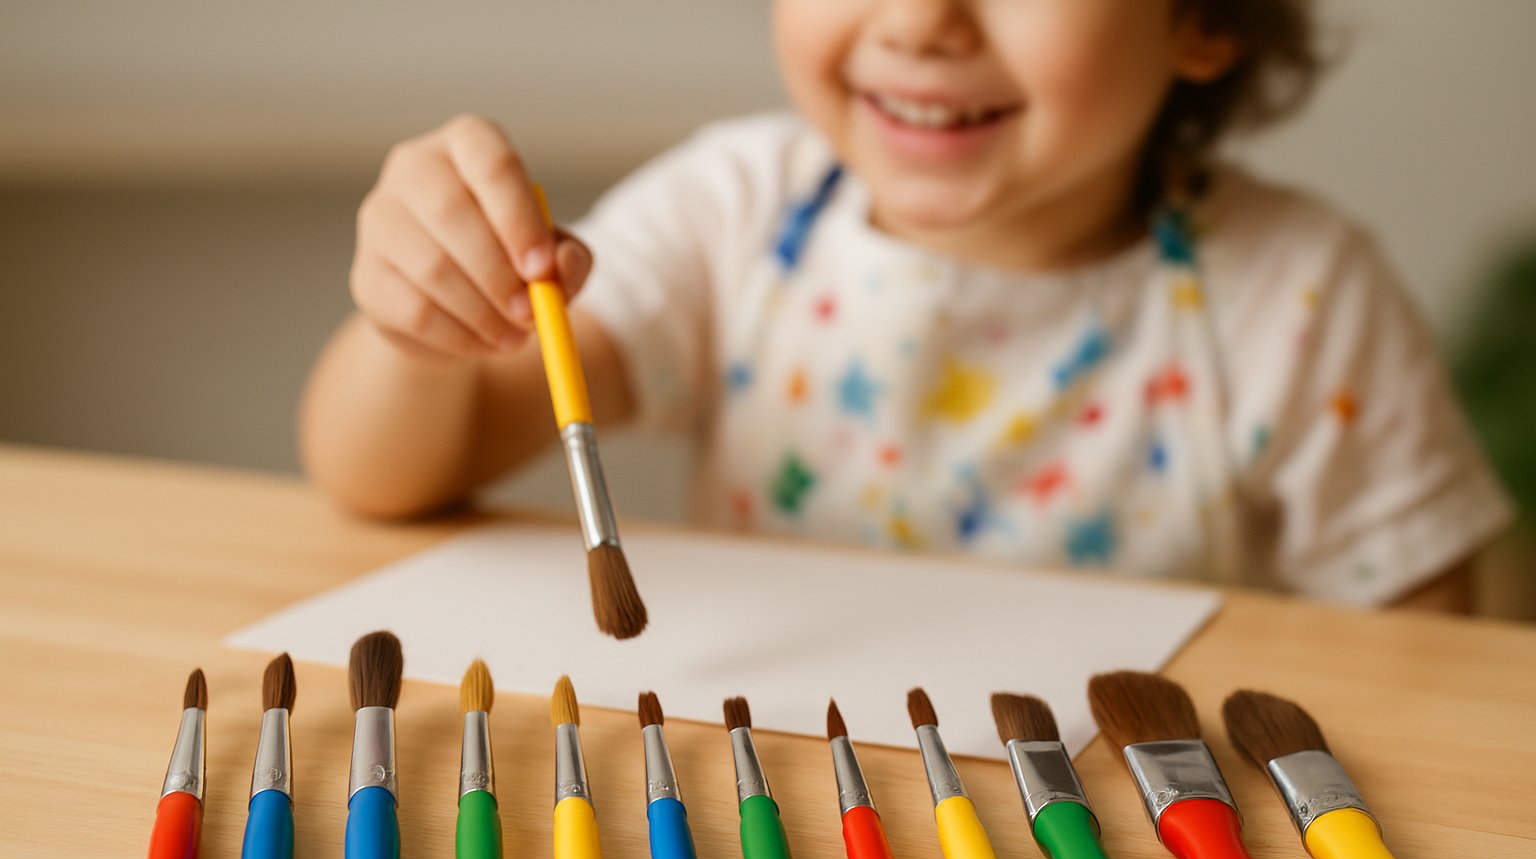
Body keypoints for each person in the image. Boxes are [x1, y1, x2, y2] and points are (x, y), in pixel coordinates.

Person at [300, 0, 1510, 611]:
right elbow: (383, 474)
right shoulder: (736, 211)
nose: (924, 19)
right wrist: (421, 333)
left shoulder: (1299, 297)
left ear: (1203, 19)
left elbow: (1428, 664)